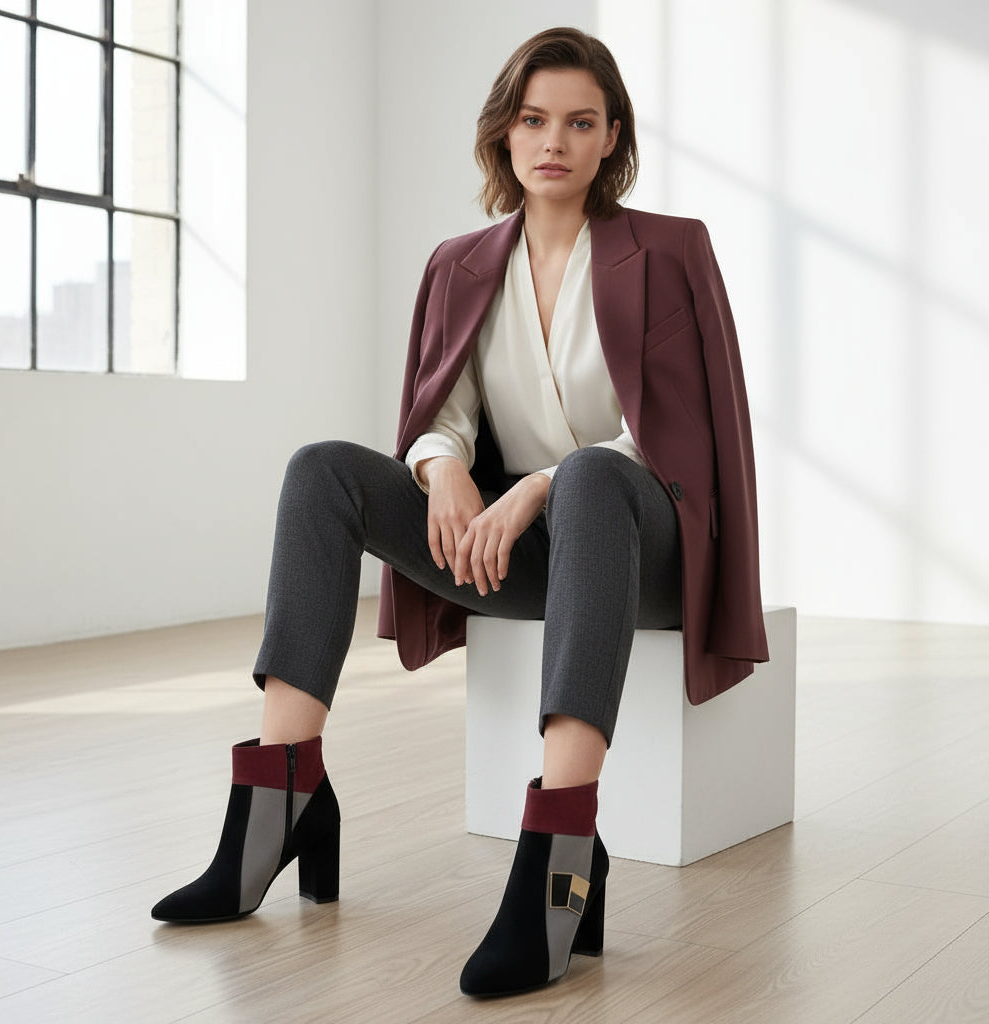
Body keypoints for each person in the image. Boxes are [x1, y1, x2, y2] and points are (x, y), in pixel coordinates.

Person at [150, 26, 769, 998]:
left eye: (580, 122)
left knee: (589, 479)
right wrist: (441, 470)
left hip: (640, 546)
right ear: (503, 133)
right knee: (323, 472)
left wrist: (537, 485)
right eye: (533, 119)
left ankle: (562, 847)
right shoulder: (461, 263)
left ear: (612, 137)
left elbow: (681, 438)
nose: (553, 141)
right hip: (518, 554)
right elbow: (442, 416)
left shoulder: (668, 250)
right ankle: (282, 794)